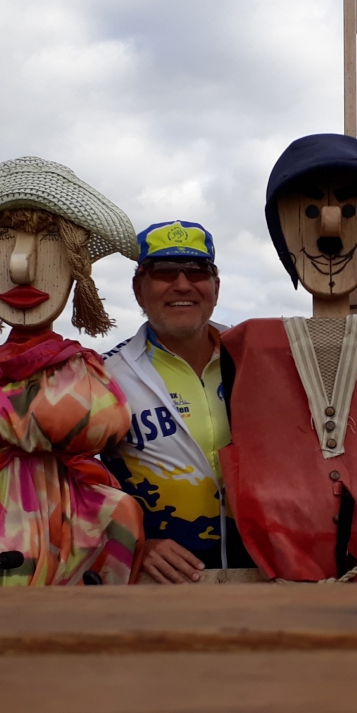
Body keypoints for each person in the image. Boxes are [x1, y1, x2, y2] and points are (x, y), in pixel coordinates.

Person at [220, 134, 357, 582]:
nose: (330, 231)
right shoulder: (239, 350)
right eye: (307, 213)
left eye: (352, 211)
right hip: (280, 582)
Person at [0, 157, 144, 587]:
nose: (21, 265)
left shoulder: (85, 367)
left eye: (50, 237)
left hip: (81, 522)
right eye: (1, 237)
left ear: (77, 265)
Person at [102, 221, 250, 582]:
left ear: (216, 287)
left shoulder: (256, 358)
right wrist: (135, 541)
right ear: (138, 289)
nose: (182, 285)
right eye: (164, 272)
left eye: (197, 271)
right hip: (164, 583)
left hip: (260, 574)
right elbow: (77, 485)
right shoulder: (103, 377)